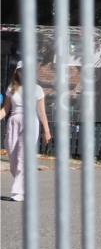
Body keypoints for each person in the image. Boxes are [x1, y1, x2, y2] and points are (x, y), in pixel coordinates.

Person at [1, 65, 52, 202]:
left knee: (22, 158)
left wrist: (46, 131)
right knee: (12, 156)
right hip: (13, 123)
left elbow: (42, 112)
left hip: (30, 122)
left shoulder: (37, 89)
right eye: (21, 70)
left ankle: (18, 191)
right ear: (17, 72)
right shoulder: (12, 88)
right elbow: (5, 109)